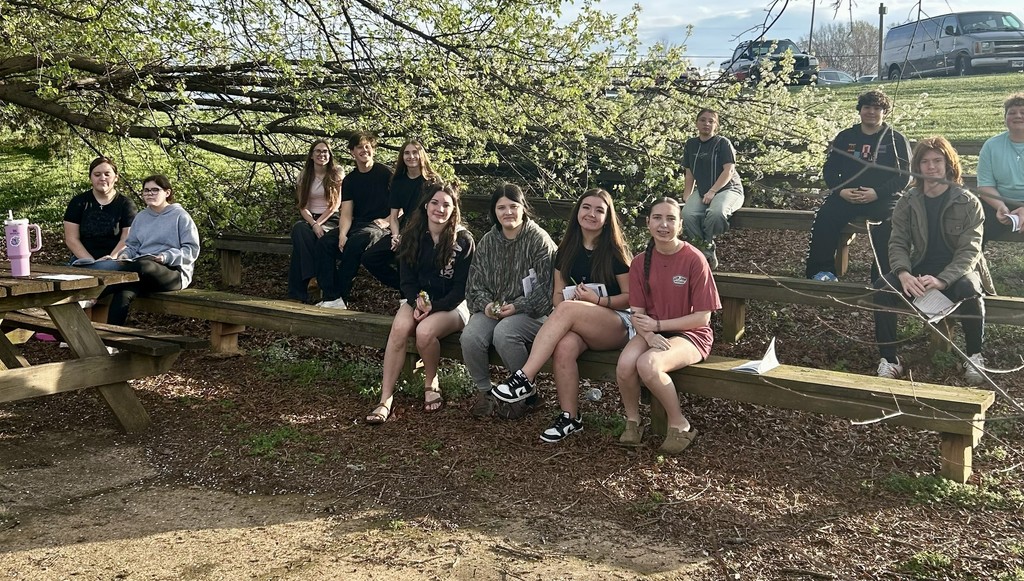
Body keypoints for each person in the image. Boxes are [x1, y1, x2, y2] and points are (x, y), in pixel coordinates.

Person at [491, 189, 632, 442]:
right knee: (564, 347)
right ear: (577, 211)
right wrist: (573, 303)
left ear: (607, 217)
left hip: (617, 323)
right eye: (586, 207)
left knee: (567, 310)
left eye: (599, 210)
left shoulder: (614, 251)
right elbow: (557, 296)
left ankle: (524, 378)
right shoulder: (566, 249)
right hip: (580, 325)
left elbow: (631, 297)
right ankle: (570, 418)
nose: (591, 214)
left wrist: (596, 301)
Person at [873, 137, 993, 385]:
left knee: (970, 289)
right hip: (919, 268)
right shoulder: (907, 200)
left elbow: (970, 251)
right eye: (925, 161)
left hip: (958, 271)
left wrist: (942, 280)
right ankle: (890, 359)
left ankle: (973, 356)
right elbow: (898, 242)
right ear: (917, 167)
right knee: (883, 287)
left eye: (937, 160)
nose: (931, 166)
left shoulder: (968, 202)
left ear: (949, 164)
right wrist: (904, 273)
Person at [616, 197, 721, 454]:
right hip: (652, 330)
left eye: (671, 219)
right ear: (648, 223)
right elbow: (637, 314)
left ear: (681, 225)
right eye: (658, 218)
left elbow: (702, 318)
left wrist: (658, 325)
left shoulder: (694, 259)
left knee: (648, 364)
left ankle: (680, 424)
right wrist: (649, 335)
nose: (664, 224)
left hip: (691, 334)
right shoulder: (640, 262)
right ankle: (633, 421)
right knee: (625, 363)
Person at [365, 183, 475, 423]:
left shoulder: (464, 241)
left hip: (452, 306)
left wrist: (431, 309)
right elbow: (407, 280)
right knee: (399, 329)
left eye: (447, 204)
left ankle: (431, 381)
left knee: (424, 332)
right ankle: (385, 398)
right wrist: (418, 302)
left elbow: (460, 291)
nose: (440, 208)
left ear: (454, 209)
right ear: (426, 205)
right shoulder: (413, 233)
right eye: (435, 203)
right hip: (419, 300)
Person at [460, 183, 556, 418]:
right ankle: (486, 393)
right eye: (501, 208)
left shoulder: (538, 240)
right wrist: (486, 306)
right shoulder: (488, 242)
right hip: (495, 308)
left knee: (505, 333)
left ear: (523, 208)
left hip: (533, 312)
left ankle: (526, 393)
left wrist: (519, 306)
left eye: (513, 206)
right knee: (470, 337)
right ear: (494, 212)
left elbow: (548, 290)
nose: (508, 213)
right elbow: (474, 285)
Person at [805, 89, 911, 282]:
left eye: (877, 108)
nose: (871, 112)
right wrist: (840, 190)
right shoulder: (845, 137)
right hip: (848, 196)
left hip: (884, 197)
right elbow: (829, 170)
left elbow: (905, 176)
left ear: (884, 112)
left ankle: (883, 276)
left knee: (894, 222)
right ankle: (821, 271)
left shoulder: (895, 139)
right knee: (824, 216)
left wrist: (878, 193)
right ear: (860, 110)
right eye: (867, 107)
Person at [102, 175, 201, 326]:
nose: (149, 194)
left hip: (172, 273)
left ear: (167, 193)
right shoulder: (141, 217)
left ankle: (93, 294)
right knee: (123, 293)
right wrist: (124, 255)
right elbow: (133, 246)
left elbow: (191, 250)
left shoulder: (181, 216)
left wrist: (166, 257)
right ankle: (111, 343)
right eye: (146, 191)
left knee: (144, 265)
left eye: (155, 190)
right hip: (141, 272)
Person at [314, 132, 393, 309]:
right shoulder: (350, 180)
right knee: (325, 243)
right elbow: (347, 213)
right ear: (352, 152)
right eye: (359, 147)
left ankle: (342, 296)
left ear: (373, 150)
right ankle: (331, 296)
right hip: (357, 224)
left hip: (379, 225)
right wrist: (342, 234)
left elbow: (401, 205)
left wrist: (387, 220)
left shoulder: (386, 173)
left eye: (368, 147)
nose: (364, 150)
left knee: (357, 242)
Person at [360, 139, 439, 291]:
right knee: (369, 258)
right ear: (402, 157)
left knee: (404, 254)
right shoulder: (398, 181)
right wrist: (395, 236)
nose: (411, 156)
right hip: (402, 229)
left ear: (421, 155)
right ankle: (406, 288)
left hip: (426, 229)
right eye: (407, 153)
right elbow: (394, 217)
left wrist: (408, 235)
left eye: (415, 152)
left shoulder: (432, 181)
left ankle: (409, 296)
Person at [680, 108, 744, 270]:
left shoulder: (722, 143)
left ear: (717, 126)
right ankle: (706, 252)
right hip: (703, 192)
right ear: (696, 123)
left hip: (729, 190)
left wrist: (713, 191)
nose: (706, 123)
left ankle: (707, 247)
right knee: (687, 214)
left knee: (716, 213)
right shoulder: (691, 144)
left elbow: (728, 170)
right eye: (702, 120)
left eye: (711, 121)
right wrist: (687, 194)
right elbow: (689, 173)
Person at [287, 140, 342, 302]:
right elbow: (302, 205)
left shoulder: (336, 173)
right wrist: (313, 223)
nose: (321, 155)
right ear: (311, 155)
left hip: (331, 218)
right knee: (299, 230)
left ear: (329, 155)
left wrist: (319, 224)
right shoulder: (304, 175)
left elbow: (336, 204)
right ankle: (313, 277)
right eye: (317, 151)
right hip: (311, 217)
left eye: (325, 151)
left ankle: (297, 292)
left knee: (307, 244)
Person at [63, 156, 138, 267]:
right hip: (83, 260)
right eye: (97, 175)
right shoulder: (78, 202)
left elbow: (127, 239)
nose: (102, 178)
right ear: (90, 178)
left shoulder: (126, 204)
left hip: (116, 260)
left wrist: (111, 259)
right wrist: (91, 261)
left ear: (116, 177)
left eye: (107, 174)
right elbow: (71, 239)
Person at [976, 93, 1024, 245]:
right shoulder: (991, 146)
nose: (1018, 116)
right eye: (1012, 112)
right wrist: (1000, 207)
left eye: (1023, 112)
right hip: (1000, 202)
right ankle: (970, 267)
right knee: (972, 223)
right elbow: (985, 186)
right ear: (1005, 119)